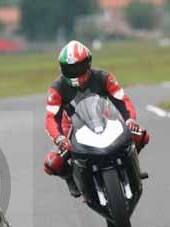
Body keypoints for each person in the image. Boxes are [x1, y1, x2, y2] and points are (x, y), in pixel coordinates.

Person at [44, 40, 150, 197]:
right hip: (71, 127)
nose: (75, 73)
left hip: (105, 118)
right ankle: (70, 178)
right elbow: (51, 118)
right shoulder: (57, 88)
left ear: (88, 63)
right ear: (62, 69)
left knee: (141, 135)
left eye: (79, 67)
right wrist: (59, 138)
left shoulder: (103, 77)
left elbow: (122, 99)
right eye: (70, 69)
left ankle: (132, 165)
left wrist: (130, 120)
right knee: (51, 162)